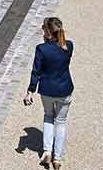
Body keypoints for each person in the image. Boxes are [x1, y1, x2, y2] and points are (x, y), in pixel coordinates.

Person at [23, 16, 74, 169]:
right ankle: (57, 158)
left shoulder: (41, 49)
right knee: (61, 121)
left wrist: (30, 91)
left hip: (47, 90)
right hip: (64, 89)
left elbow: (36, 71)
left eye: (44, 29)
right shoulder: (69, 46)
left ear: (48, 32)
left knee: (48, 117)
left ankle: (47, 151)